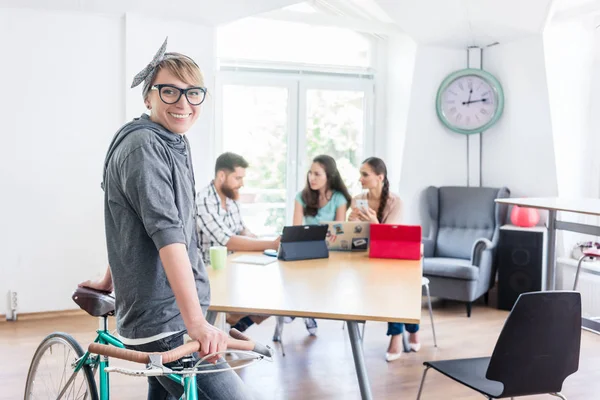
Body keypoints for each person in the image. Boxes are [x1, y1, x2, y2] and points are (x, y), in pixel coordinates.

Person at [80, 38, 253, 399]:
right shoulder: (144, 146)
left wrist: (107, 277)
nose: (184, 104)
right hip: (165, 320)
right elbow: (166, 233)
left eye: (193, 93)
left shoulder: (173, 139)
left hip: (172, 307)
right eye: (170, 92)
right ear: (148, 97)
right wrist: (196, 325)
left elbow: (132, 222)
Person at [196, 152, 280, 332]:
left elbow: (242, 229)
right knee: (260, 297)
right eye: (238, 178)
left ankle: (235, 324)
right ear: (221, 176)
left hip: (236, 266)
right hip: (212, 271)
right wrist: (270, 244)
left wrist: (259, 241)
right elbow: (227, 241)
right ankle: (231, 321)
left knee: (273, 294)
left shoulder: (231, 199)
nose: (241, 183)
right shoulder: (203, 201)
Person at [349, 156, 420, 362]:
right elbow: (355, 236)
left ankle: (397, 334)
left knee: (394, 287)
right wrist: (351, 222)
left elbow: (389, 236)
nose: (360, 178)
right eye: (360, 174)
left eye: (365, 174)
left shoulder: (395, 202)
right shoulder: (357, 199)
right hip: (367, 255)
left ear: (380, 177)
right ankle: (413, 329)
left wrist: (374, 221)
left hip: (394, 255)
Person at [291, 154, 352, 335]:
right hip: (306, 248)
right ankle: (299, 308)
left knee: (319, 279)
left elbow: (338, 231)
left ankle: (302, 309)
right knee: (297, 274)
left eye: (317, 174)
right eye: (310, 173)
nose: (312, 178)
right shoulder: (301, 197)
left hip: (330, 250)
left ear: (329, 177)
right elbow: (296, 229)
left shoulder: (338, 198)